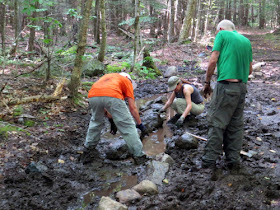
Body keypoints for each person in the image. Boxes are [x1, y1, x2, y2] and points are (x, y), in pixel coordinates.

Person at [202, 19, 253, 171]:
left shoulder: (222, 34)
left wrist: (207, 82)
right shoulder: (246, 41)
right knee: (235, 125)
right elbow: (249, 70)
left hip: (226, 86)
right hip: (241, 88)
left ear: (221, 28)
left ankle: (209, 161)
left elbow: (212, 61)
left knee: (216, 122)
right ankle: (233, 161)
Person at [82, 72, 148, 164]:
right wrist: (140, 124)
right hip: (112, 96)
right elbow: (132, 108)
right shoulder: (126, 81)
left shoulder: (108, 77)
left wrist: (112, 122)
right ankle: (139, 155)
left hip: (93, 95)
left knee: (96, 122)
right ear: (128, 79)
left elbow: (106, 106)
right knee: (127, 126)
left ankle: (87, 150)